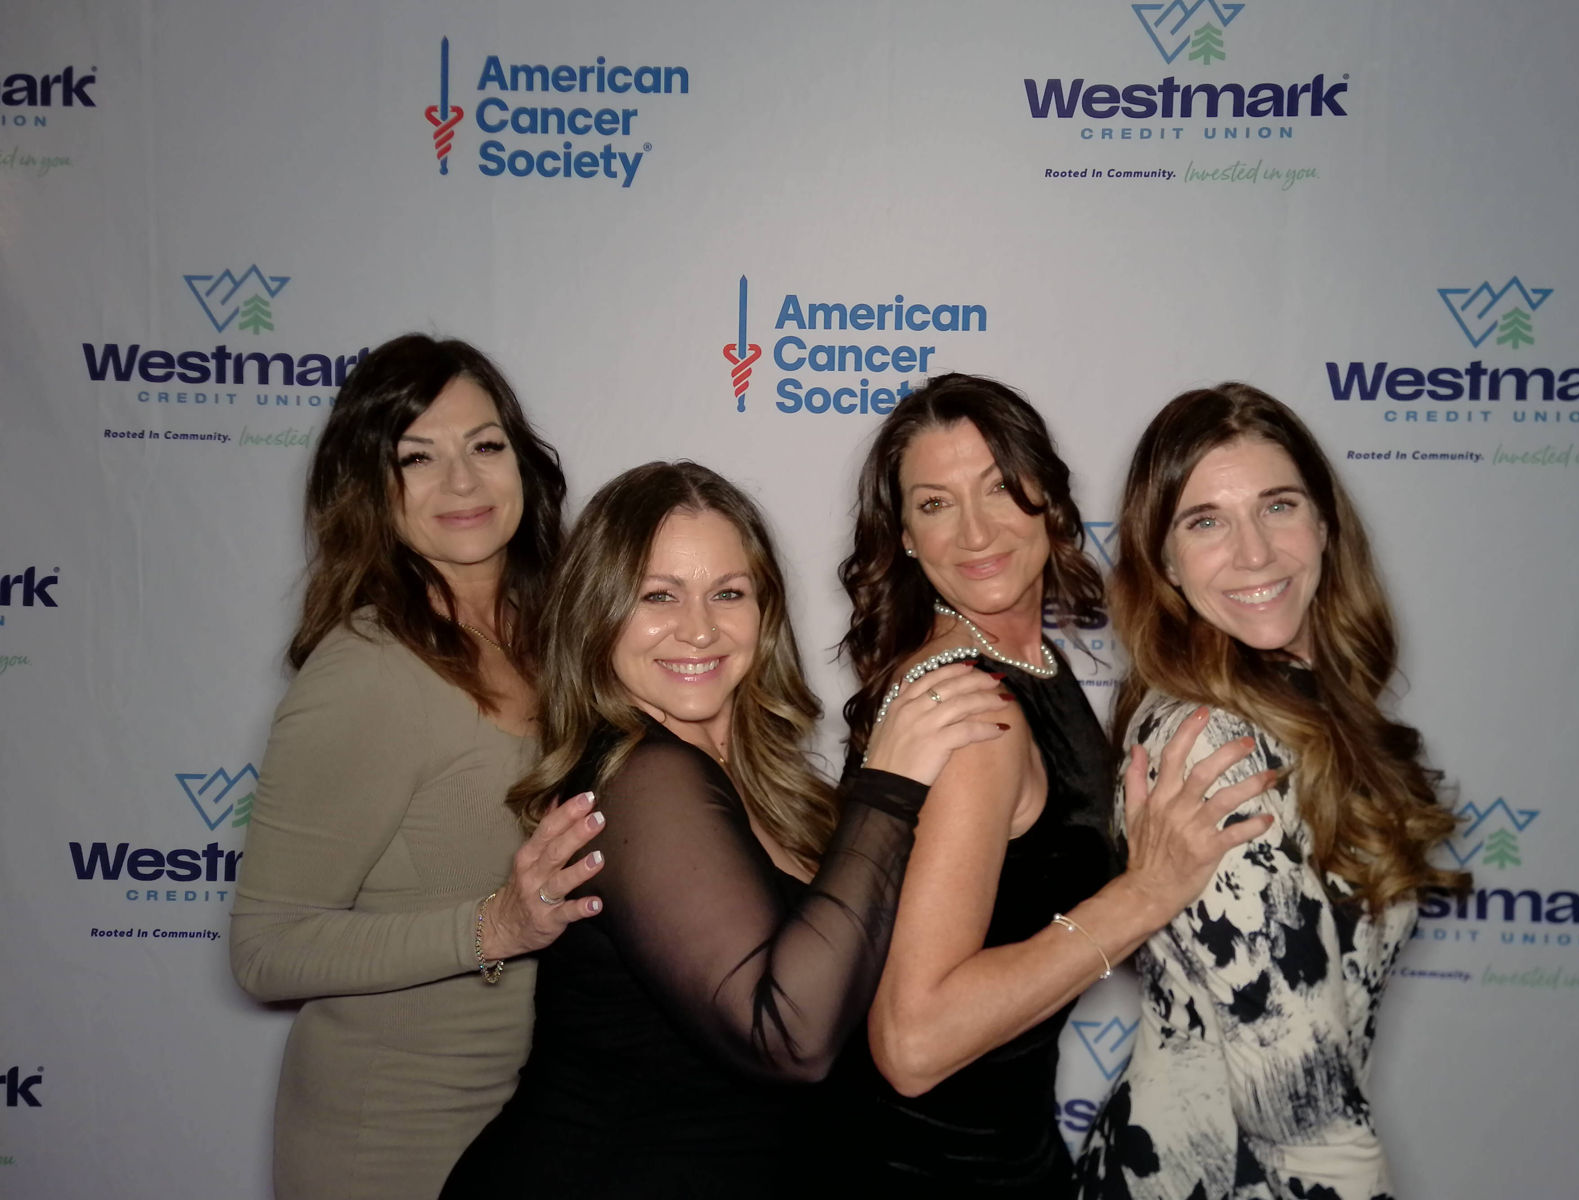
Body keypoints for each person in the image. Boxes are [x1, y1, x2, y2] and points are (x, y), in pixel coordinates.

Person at [441, 461, 1008, 1198]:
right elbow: (788, 1038)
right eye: (658, 595)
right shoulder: (646, 779)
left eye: (728, 593)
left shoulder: (766, 782)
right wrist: (889, 789)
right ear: (596, 611)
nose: (699, 628)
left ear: (764, 610)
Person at [830, 374, 1276, 1195]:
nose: (975, 531)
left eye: (1000, 487)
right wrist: (1146, 893)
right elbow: (914, 1043)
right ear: (906, 538)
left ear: (1049, 498)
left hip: (1007, 1147)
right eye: (935, 504)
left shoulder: (1031, 665)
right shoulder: (979, 715)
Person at [229, 334, 609, 1200]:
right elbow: (264, 948)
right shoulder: (366, 671)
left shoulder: (562, 637)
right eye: (418, 457)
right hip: (395, 1137)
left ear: (521, 461)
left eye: (485, 445)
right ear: (370, 487)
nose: (463, 482)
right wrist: (491, 928)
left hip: (541, 1120)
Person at [1075, 383, 1467, 1200]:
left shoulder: (1307, 706)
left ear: (1324, 523)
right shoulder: (1213, 749)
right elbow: (1305, 1124)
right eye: (1205, 521)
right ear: (1166, 561)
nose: (1253, 553)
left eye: (1277, 506)